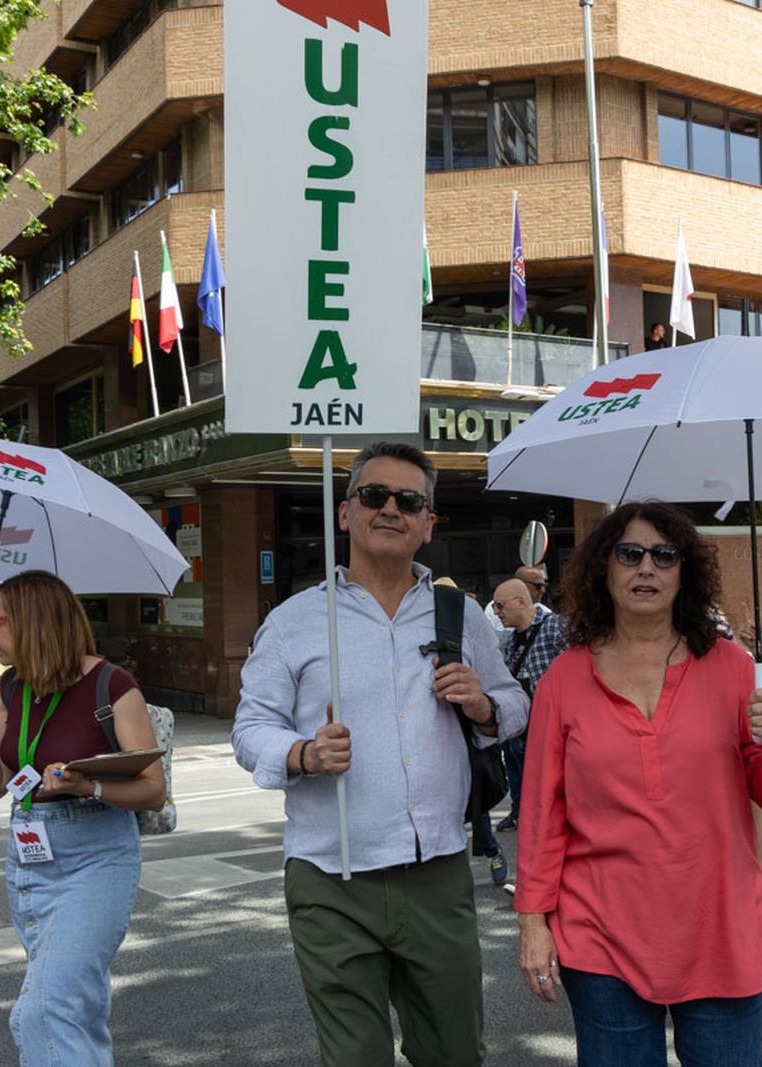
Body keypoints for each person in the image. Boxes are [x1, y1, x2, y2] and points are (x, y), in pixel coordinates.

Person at [231, 441, 529, 1067]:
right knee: (355, 1057)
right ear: (346, 514)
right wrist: (303, 753)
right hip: (330, 874)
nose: (390, 508)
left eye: (409, 500)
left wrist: (481, 704)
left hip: (438, 871)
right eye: (374, 495)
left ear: (427, 524)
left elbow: (514, 707)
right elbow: (251, 726)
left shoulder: (462, 614)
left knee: (453, 1053)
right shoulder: (294, 621)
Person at [515, 501, 762, 1066]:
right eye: (630, 554)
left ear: (684, 571)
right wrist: (533, 922)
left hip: (719, 922)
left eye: (664, 555)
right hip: (599, 929)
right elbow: (541, 814)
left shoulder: (733, 667)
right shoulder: (564, 679)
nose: (646, 568)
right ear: (604, 568)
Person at [0, 570, 164, 1067]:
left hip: (95, 854)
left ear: (32, 623)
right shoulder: (11, 684)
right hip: (28, 860)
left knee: (45, 1010)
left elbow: (154, 790)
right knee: (72, 1007)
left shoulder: (111, 684)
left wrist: (90, 786)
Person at [488, 577, 569, 834]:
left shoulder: (557, 627)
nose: (497, 613)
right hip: (531, 730)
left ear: (521, 602)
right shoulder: (512, 642)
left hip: (562, 729)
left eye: (500, 606)